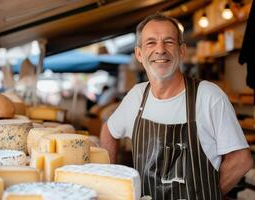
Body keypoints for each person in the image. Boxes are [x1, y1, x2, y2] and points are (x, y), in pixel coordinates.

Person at [100, 12, 253, 199]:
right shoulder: (136, 96)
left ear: (182, 51)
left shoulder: (208, 96)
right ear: (139, 54)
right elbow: (108, 131)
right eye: (151, 43)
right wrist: (108, 183)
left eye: (169, 42)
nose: (160, 49)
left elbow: (241, 160)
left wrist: (208, 194)